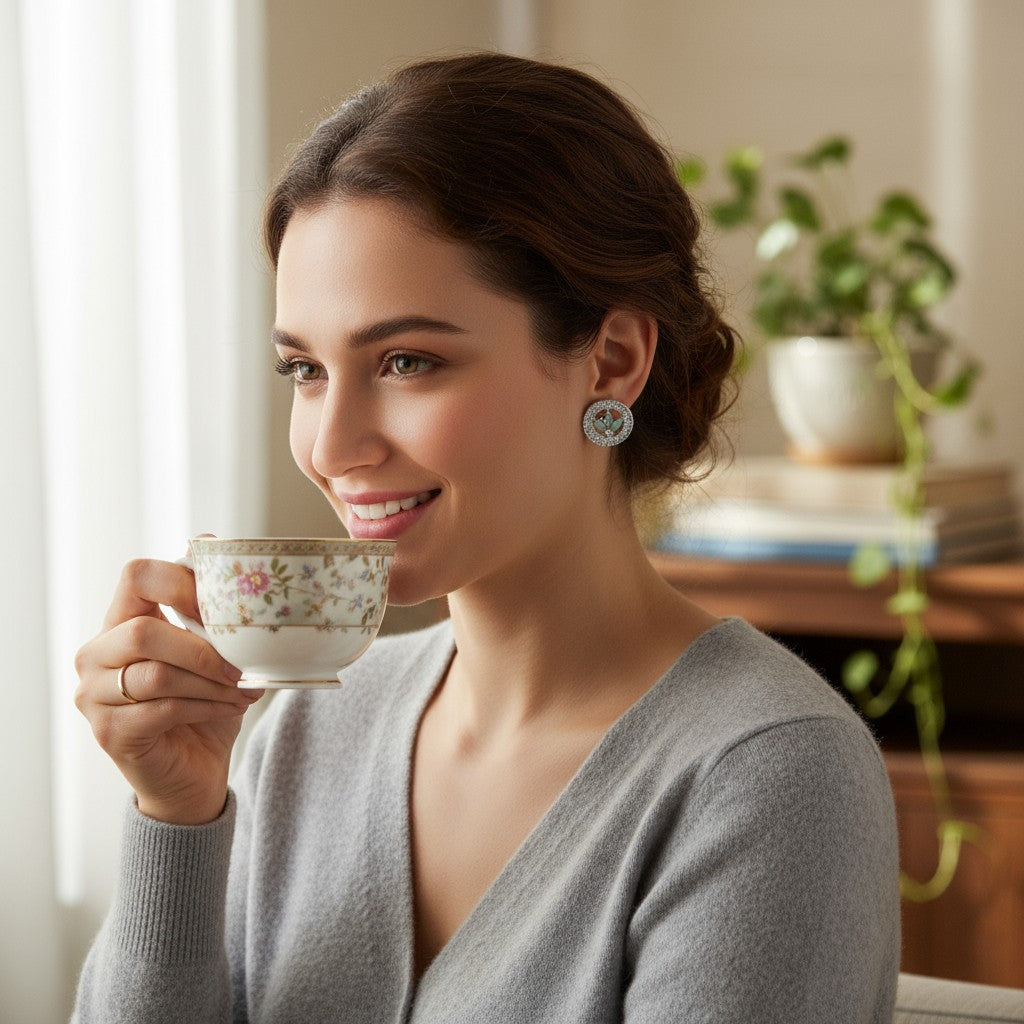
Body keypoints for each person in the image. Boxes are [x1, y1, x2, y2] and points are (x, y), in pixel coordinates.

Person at [72, 51, 900, 1023]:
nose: (331, 444)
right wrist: (176, 818)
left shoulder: (765, 771)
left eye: (407, 360)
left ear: (612, 360)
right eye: (303, 369)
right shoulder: (299, 737)